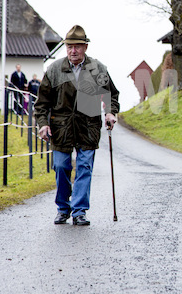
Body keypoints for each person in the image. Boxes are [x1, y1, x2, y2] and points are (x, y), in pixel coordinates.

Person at [34, 25, 119, 226]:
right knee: (61, 166)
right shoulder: (54, 70)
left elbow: (110, 95)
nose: (73, 51)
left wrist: (110, 112)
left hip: (88, 127)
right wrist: (43, 124)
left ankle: (79, 210)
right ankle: (63, 208)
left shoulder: (98, 69)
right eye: (69, 46)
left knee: (84, 168)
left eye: (77, 47)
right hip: (61, 128)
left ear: (85, 47)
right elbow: (42, 102)